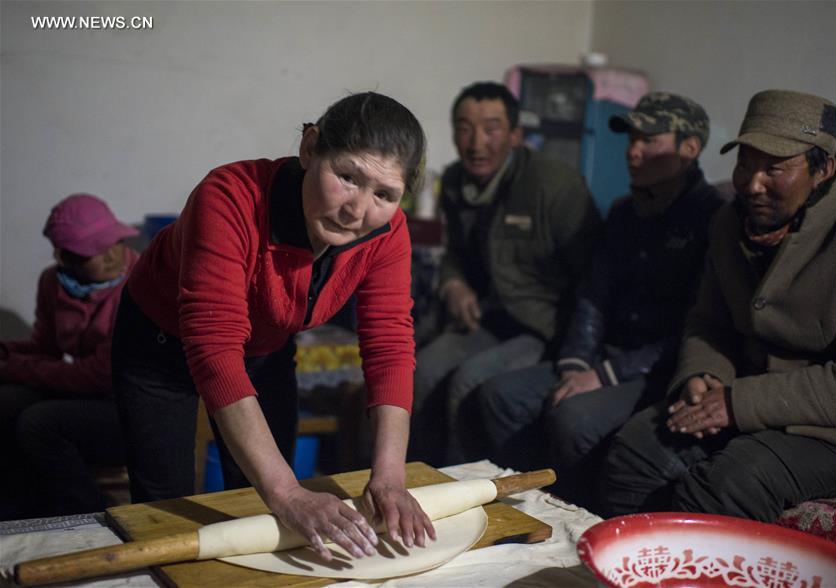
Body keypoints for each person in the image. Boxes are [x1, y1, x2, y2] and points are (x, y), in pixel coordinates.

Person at [112, 92, 435, 561]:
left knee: (262, 506)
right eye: (347, 177)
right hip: (159, 344)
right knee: (166, 510)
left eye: (384, 194)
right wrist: (287, 493)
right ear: (309, 149)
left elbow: (389, 343)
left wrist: (389, 477)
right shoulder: (228, 196)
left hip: (264, 346)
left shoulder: (386, 232)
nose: (357, 211)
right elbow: (215, 347)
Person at [594, 90, 836, 521]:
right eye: (744, 165)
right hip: (746, 400)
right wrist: (703, 375)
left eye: (774, 168)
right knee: (634, 453)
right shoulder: (728, 222)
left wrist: (738, 402)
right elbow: (708, 322)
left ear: (823, 169)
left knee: (728, 484)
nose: (752, 185)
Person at [477, 93, 723, 503]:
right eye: (631, 139)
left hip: (663, 368)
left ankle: (577, 522)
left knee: (574, 418)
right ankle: (523, 508)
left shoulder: (714, 219)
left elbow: (696, 328)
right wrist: (576, 363)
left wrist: (604, 376)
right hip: (606, 353)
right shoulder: (626, 212)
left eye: (649, 139)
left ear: (690, 148)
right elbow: (594, 295)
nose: (633, 151)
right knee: (501, 395)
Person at [410, 82, 602, 466]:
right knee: (422, 370)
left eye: (491, 128)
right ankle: (414, 480)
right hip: (492, 316)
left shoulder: (554, 184)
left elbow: (595, 278)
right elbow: (455, 255)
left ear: (515, 135)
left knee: (469, 382)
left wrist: (578, 353)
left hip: (547, 325)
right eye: (464, 128)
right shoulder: (454, 182)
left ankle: (463, 491)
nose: (476, 142)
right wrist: (453, 283)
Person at [0, 193, 138, 519]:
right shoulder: (53, 282)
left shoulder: (138, 284)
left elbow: (99, 374)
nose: (112, 255)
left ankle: (88, 512)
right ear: (65, 258)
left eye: (114, 242)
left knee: (39, 423)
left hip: (130, 408)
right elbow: (46, 347)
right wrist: (6, 353)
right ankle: (19, 511)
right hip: (89, 396)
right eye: (95, 250)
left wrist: (13, 367)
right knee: (6, 403)